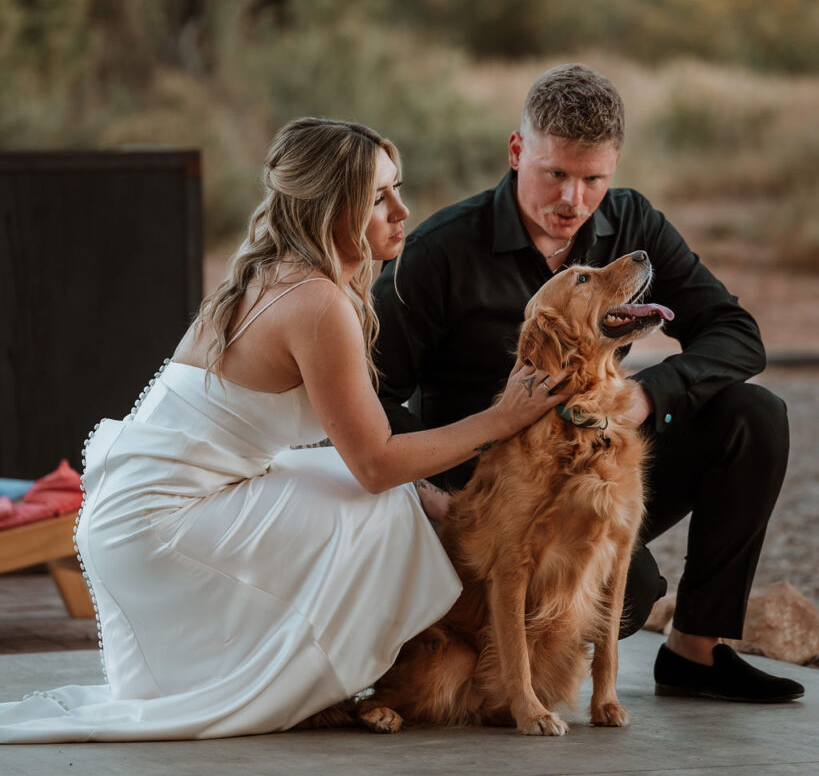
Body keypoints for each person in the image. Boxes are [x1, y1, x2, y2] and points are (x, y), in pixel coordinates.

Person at [0, 117, 567, 743]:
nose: (402, 210)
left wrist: (424, 492)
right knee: (379, 507)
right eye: (378, 197)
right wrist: (501, 419)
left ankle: (331, 671)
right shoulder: (317, 302)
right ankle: (334, 680)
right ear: (331, 208)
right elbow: (375, 463)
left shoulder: (273, 273)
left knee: (372, 490)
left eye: (397, 189)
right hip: (158, 526)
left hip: (132, 509)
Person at [373, 64, 805, 705]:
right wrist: (429, 491)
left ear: (614, 168)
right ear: (517, 152)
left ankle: (696, 652)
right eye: (555, 175)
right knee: (628, 601)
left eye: (593, 179)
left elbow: (736, 333)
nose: (573, 201)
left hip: (596, 477)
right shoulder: (440, 252)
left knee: (754, 416)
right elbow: (370, 395)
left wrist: (647, 396)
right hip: (493, 504)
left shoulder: (633, 225)